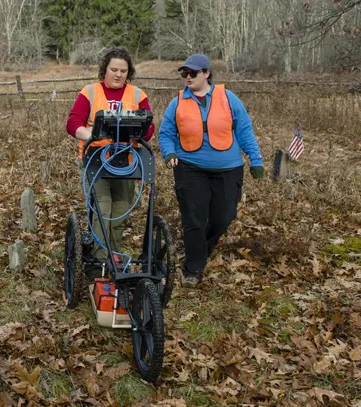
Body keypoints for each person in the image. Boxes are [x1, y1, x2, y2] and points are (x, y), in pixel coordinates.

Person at [158, 53, 264, 288]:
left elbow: (245, 129)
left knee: (223, 217)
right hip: (189, 168)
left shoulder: (228, 98)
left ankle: (202, 250)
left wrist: (255, 159)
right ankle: (193, 268)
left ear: (206, 73)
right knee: (194, 219)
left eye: (193, 73)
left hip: (228, 168)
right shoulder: (177, 102)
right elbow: (165, 133)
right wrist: (170, 153)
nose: (187, 77)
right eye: (184, 73)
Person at [66, 47, 155, 269]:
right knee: (102, 208)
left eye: (123, 71)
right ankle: (100, 259)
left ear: (129, 72)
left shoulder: (137, 95)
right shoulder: (90, 92)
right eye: (113, 69)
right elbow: (73, 123)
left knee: (121, 207)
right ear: (104, 70)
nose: (118, 74)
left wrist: (138, 133)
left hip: (126, 159)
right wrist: (92, 136)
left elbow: (149, 127)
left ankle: (114, 254)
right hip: (96, 158)